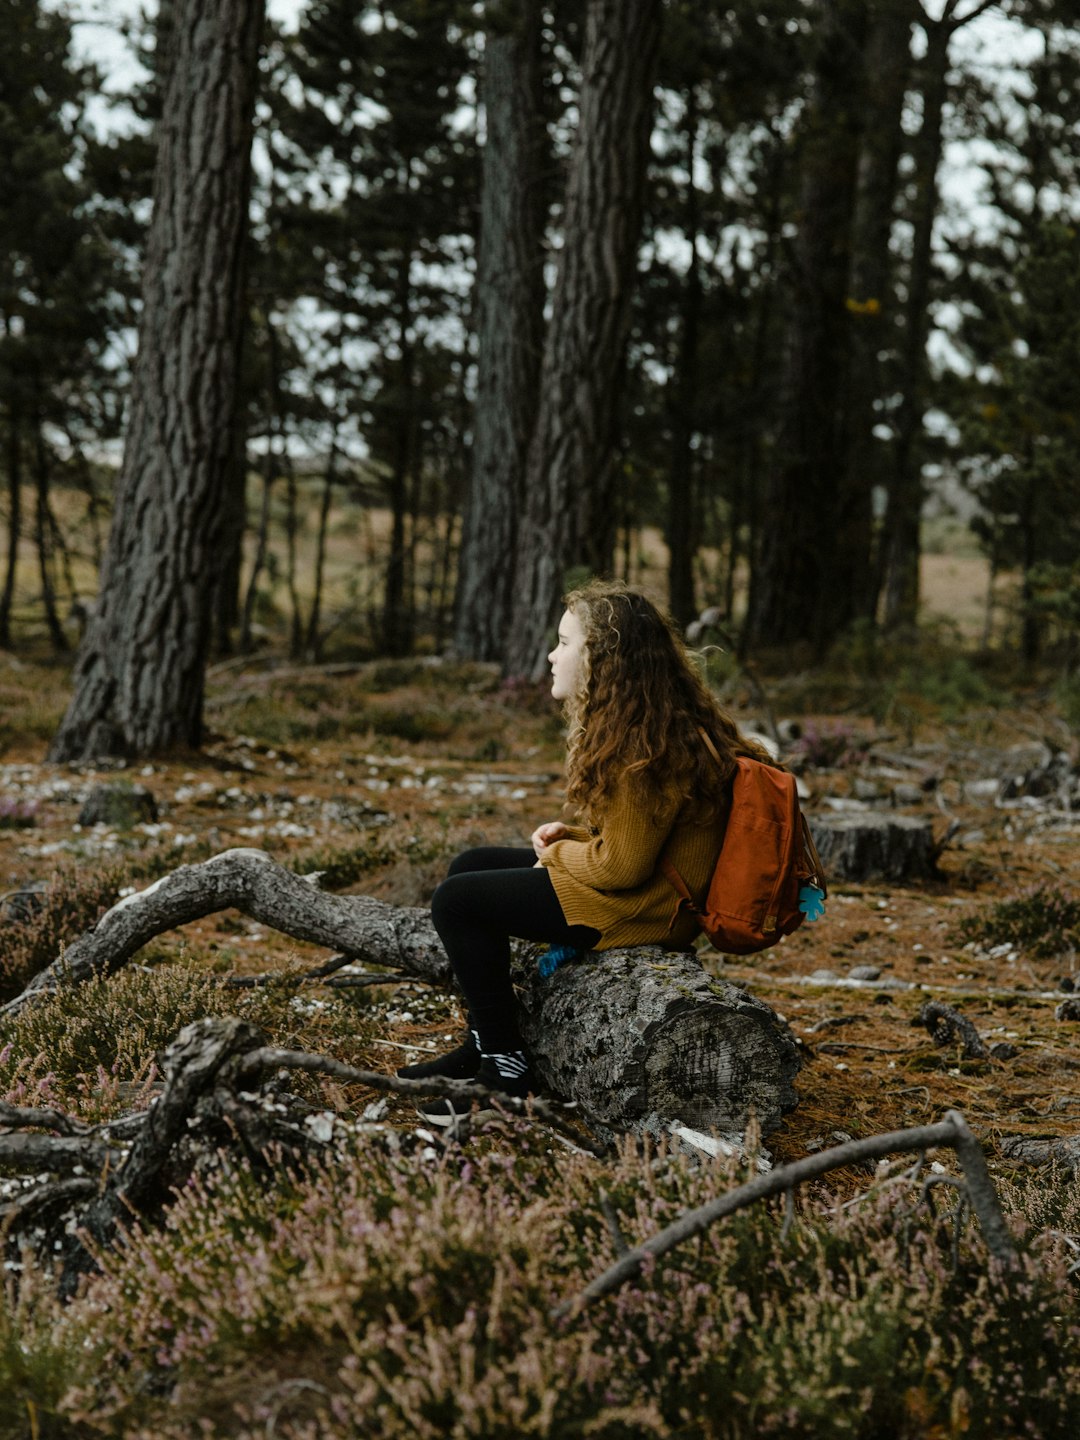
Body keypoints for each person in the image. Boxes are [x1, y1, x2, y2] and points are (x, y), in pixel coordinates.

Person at [402, 578, 774, 1125]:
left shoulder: (643, 747)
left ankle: (506, 1067)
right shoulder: (656, 724)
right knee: (470, 866)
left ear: (604, 659)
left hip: (644, 911)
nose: (552, 655)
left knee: (458, 901)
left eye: (565, 643)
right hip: (652, 894)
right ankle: (484, 1042)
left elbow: (621, 868)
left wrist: (556, 856)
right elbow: (636, 846)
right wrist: (572, 837)